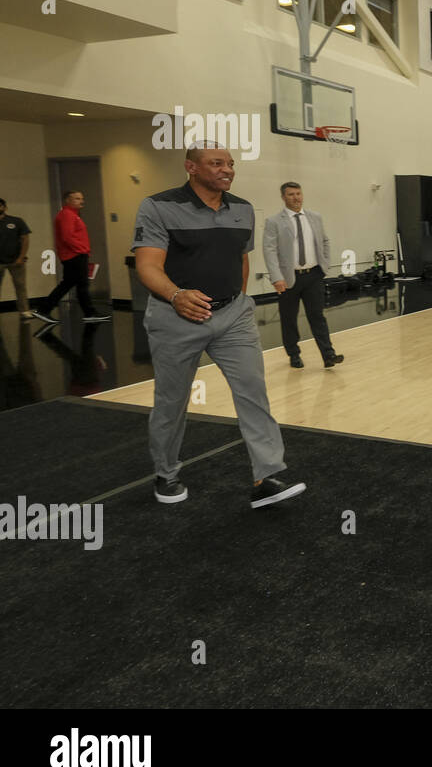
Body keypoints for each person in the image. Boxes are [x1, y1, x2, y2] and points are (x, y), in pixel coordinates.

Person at [132, 143, 304, 509]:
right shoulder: (158, 206)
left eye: (230, 164)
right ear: (190, 167)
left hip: (232, 316)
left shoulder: (242, 209)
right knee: (172, 401)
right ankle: (166, 473)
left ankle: (266, 476)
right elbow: (147, 265)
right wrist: (176, 295)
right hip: (174, 317)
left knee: (253, 390)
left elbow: (241, 259)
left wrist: (236, 301)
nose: (227, 169)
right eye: (216, 163)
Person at [263, 182, 344, 369]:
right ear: (283, 197)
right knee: (289, 319)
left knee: (317, 316)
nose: (296, 197)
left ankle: (328, 355)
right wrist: (276, 277)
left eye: (298, 193)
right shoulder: (274, 221)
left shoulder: (315, 217)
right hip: (288, 278)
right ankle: (294, 355)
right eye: (291, 194)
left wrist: (325, 265)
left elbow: (325, 241)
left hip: (314, 275)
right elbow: (269, 251)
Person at [33, 190, 110, 324]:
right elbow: (67, 237)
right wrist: (82, 250)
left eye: (81, 198)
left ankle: (44, 310)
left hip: (75, 255)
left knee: (70, 284)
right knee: (81, 284)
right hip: (75, 255)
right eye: (77, 198)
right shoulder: (67, 215)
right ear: (68, 200)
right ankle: (89, 313)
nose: (81, 201)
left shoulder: (73, 215)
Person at [0, 199, 33, 319]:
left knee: (20, 286)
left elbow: (25, 239)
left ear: (4, 207)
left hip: (16, 261)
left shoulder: (16, 221)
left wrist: (21, 257)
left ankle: (24, 311)